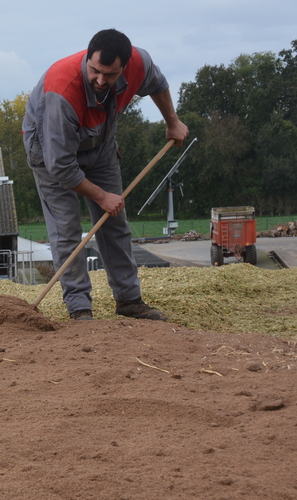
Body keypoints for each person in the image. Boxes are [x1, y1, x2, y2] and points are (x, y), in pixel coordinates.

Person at [22, 29, 189, 321]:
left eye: (109, 75)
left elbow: (158, 85)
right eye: (95, 71)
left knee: (116, 223)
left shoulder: (140, 63)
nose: (100, 80)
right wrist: (101, 197)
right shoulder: (61, 91)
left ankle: (129, 301)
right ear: (87, 58)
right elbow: (61, 166)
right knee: (66, 231)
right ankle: (79, 309)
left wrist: (172, 122)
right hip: (51, 152)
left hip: (100, 145)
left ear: (124, 67)